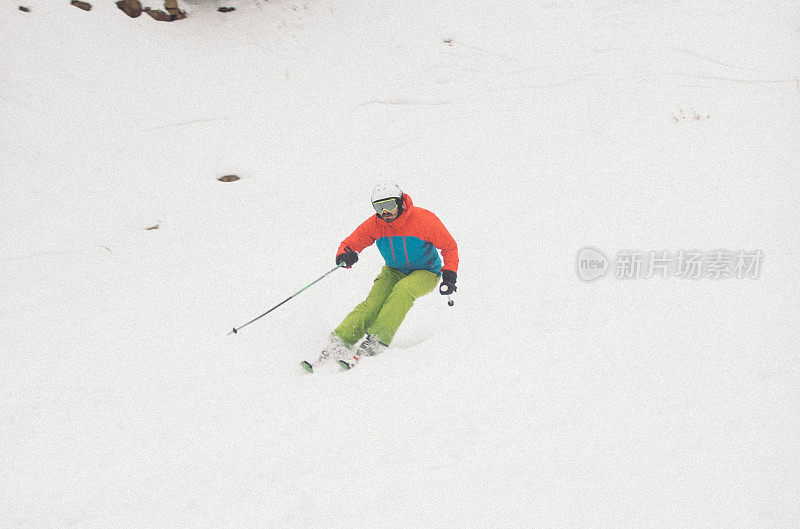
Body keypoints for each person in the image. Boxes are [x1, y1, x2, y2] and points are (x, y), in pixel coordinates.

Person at [318, 182, 459, 369]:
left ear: (400, 202)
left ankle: (377, 339)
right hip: (393, 270)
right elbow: (352, 242)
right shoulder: (376, 224)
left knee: (403, 290)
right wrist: (345, 255)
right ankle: (341, 340)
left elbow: (449, 247)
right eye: (379, 207)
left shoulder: (424, 219)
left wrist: (449, 274)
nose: (385, 212)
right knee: (373, 303)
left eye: (389, 205)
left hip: (426, 271)